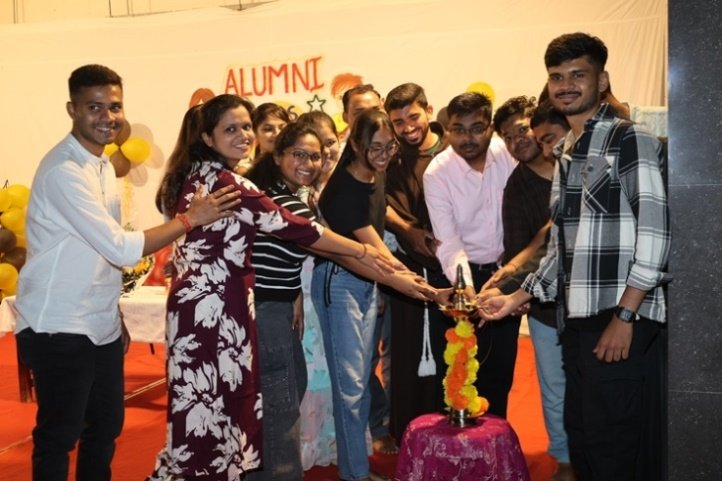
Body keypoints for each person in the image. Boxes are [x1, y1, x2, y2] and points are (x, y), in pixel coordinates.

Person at [150, 94, 402, 481]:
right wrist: (363, 250)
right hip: (216, 310)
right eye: (231, 129)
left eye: (245, 126)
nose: (243, 135)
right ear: (207, 137)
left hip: (205, 308)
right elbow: (294, 227)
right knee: (236, 407)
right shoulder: (228, 183)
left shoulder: (195, 174)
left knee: (210, 409)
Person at [13, 64, 241, 481]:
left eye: (115, 107)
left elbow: (104, 253)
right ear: (72, 109)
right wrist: (190, 219)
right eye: (94, 107)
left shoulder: (101, 165)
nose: (107, 117)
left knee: (105, 428)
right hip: (57, 323)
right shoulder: (64, 170)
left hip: (96, 320)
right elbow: (120, 246)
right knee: (59, 436)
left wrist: (112, 310)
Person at [480, 33, 670, 481]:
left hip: (619, 318)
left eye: (577, 75)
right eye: (556, 77)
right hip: (575, 322)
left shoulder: (630, 140)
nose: (565, 85)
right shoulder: (566, 152)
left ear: (601, 81)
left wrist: (625, 316)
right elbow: (562, 250)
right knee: (584, 442)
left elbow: (657, 233)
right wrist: (514, 299)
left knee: (614, 448)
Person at [311, 109, 409, 481]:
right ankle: (354, 474)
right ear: (354, 144)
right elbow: (380, 254)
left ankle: (358, 468)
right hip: (340, 283)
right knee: (350, 388)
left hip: (366, 282)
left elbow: (380, 221)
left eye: (389, 146)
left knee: (362, 380)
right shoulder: (342, 191)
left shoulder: (374, 174)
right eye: (375, 148)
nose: (384, 155)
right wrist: (426, 289)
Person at [485, 96, 575, 481]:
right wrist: (512, 289)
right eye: (507, 137)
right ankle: (565, 459)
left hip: (592, 301)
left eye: (522, 130)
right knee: (554, 387)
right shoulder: (516, 187)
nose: (517, 141)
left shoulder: (575, 167)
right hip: (543, 305)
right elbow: (520, 249)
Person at [423, 91, 519, 418]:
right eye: (458, 129)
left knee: (500, 371)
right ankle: (460, 443)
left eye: (477, 128)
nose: (467, 138)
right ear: (447, 129)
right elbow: (448, 241)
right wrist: (466, 288)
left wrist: (514, 278)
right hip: (460, 278)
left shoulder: (507, 153)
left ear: (490, 126)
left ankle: (496, 441)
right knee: (459, 371)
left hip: (506, 273)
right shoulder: (437, 173)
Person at [383, 82, 450, 440]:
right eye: (398, 121)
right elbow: (378, 203)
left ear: (428, 109)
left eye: (413, 117)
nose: (408, 127)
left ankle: (454, 429)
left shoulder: (453, 150)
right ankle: (411, 436)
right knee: (407, 353)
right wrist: (407, 231)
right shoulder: (389, 158)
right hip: (408, 269)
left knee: (453, 350)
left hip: (453, 267)